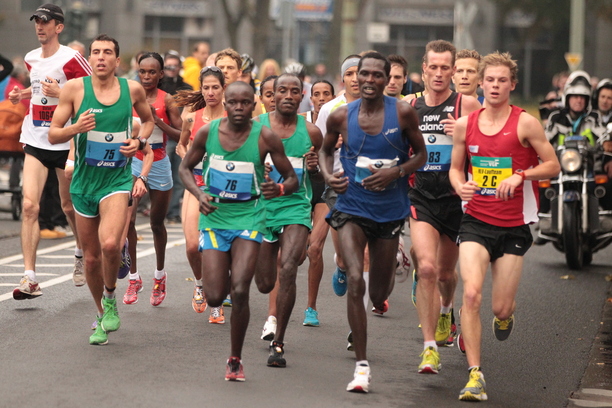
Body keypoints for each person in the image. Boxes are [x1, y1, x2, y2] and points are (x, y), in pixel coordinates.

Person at [449, 51, 560, 401]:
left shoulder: (525, 123)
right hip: (475, 221)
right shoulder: (466, 125)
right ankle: (475, 375)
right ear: (481, 83)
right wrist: (460, 186)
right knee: (470, 293)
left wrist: (521, 175)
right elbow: (455, 169)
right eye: (490, 80)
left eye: (502, 80)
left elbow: (553, 165)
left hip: (513, 226)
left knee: (500, 307)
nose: (495, 86)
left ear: (512, 84)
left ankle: (505, 317)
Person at [321, 52, 427, 393]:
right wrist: (329, 175)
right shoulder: (341, 116)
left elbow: (421, 155)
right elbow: (324, 150)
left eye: (376, 75)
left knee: (378, 293)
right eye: (362, 73)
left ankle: (395, 259)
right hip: (351, 207)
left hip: (389, 211)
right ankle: (362, 367)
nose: (368, 80)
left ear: (387, 79)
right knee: (356, 279)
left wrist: (396, 172)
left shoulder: (403, 113)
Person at [179, 80, 298, 381]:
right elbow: (184, 168)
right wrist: (199, 193)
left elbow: (292, 178)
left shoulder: (265, 136)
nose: (239, 108)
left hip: (250, 217)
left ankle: (235, 358)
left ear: (254, 105)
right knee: (215, 296)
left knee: (241, 289)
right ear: (225, 104)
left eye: (245, 103)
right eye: (233, 102)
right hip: (215, 218)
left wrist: (279, 188)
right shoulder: (207, 133)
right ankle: (223, 270)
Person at [48, 34, 154, 345]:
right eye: (96, 52)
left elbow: (148, 121)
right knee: (91, 259)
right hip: (83, 183)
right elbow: (54, 134)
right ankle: (101, 314)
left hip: (116, 181)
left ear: (117, 61)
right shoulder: (74, 89)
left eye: (107, 52)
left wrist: (139, 141)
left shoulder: (131, 89)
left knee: (109, 245)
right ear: (90, 58)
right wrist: (75, 128)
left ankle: (110, 297)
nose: (101, 57)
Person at [404, 40, 480, 375]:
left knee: (447, 274)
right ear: (423, 70)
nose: (438, 73)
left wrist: (463, 133)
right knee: (427, 269)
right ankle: (429, 348)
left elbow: (487, 146)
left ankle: (447, 309)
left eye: (444, 68)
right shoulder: (409, 106)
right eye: (432, 67)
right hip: (420, 196)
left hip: (455, 200)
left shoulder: (467, 104)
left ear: (452, 71)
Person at [8, 3, 92, 297]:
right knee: (30, 206)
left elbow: (93, 92)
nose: (39, 26)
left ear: (59, 27)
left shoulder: (72, 58)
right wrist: (22, 94)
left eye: (45, 21)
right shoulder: (31, 58)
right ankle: (29, 278)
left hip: (66, 140)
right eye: (36, 21)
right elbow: (39, 88)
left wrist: (62, 93)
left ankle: (81, 252)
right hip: (35, 138)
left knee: (68, 206)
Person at [253, 73, 323, 367]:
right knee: (264, 282)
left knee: (289, 267)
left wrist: (315, 168)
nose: (289, 96)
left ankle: (278, 342)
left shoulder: (312, 133)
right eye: (282, 90)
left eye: (295, 91)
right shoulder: (256, 127)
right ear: (273, 94)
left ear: (301, 96)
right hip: (262, 208)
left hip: (295, 207)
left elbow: (318, 176)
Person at [122, 52, 182, 306]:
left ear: (160, 74)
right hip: (133, 161)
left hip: (159, 162)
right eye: (142, 71)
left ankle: (159, 276)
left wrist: (159, 123)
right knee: (129, 219)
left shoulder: (167, 99)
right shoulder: (128, 95)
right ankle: (133, 278)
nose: (146, 76)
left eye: (151, 72)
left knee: (157, 223)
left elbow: (181, 134)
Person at [175, 65, 228, 321]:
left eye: (215, 87)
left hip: (223, 189)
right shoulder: (191, 118)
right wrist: (189, 158)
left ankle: (217, 302)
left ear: (224, 89)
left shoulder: (231, 118)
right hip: (195, 186)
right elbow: (181, 145)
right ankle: (199, 283)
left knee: (217, 249)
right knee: (192, 246)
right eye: (206, 88)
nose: (210, 92)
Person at [300, 79, 335, 326]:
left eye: (326, 94)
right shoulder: (300, 122)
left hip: (325, 189)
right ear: (310, 98)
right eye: (317, 94)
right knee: (298, 255)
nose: (321, 98)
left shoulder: (338, 120)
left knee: (315, 249)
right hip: (301, 189)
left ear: (333, 97)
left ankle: (311, 308)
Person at [161, 50, 192, 224]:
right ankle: (160, 211)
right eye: (168, 66)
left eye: (174, 66)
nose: (171, 70)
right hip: (163, 137)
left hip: (182, 137)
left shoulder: (187, 89)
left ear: (180, 67)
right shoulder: (159, 87)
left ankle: (173, 212)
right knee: (162, 177)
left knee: (179, 177)